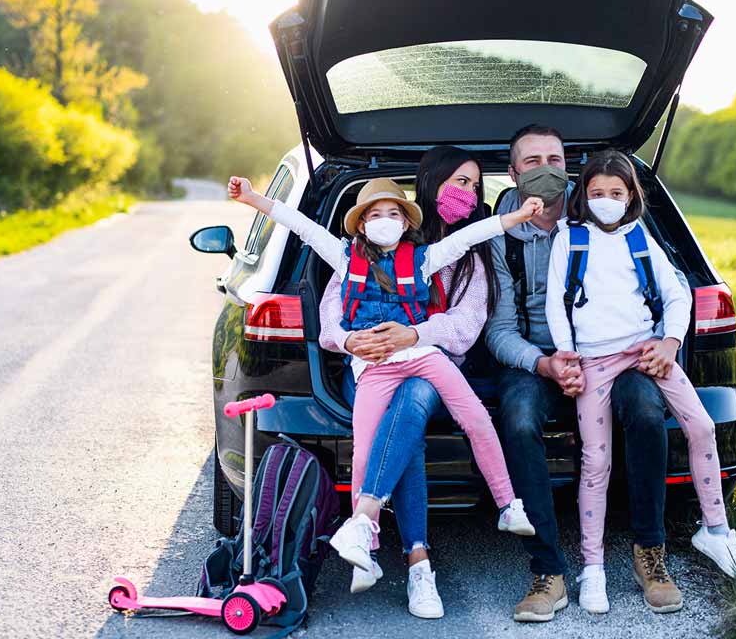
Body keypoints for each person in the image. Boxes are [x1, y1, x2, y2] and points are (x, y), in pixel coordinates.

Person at [225, 172, 542, 586]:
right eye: (376, 214)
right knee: (364, 450)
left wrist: (515, 216)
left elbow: (468, 238)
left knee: (477, 417)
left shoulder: (425, 258)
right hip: (374, 367)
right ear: (361, 224)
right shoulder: (343, 259)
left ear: (407, 222)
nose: (386, 220)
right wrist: (253, 199)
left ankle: (507, 504)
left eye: (394, 213)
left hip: (422, 355)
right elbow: (301, 225)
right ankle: (365, 546)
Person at [545, 149, 736, 614]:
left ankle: (716, 531)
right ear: (583, 196)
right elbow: (556, 305)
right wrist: (567, 353)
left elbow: (677, 294)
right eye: (596, 193)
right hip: (595, 362)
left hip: (646, 353)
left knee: (702, 428)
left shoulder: (640, 236)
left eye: (615, 193)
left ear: (630, 196)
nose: (605, 200)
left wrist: (670, 342)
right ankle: (592, 567)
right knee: (595, 461)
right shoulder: (569, 239)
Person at [485, 125, 681, 620]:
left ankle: (650, 554)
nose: (546, 168)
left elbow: (668, 278)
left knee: (643, 407)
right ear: (512, 173)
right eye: (532, 161)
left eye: (555, 157)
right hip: (538, 357)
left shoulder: (604, 201)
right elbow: (499, 329)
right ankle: (548, 574)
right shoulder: (501, 234)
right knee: (520, 416)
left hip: (615, 353)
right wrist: (545, 363)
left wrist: (665, 340)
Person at [317, 146, 502, 618]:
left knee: (415, 396)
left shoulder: (467, 258)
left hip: (434, 366)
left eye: (475, 186)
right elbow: (333, 310)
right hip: (374, 365)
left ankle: (369, 528)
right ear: (431, 184)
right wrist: (349, 340)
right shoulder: (369, 255)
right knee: (407, 426)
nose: (469, 193)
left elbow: (464, 328)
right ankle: (418, 561)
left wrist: (415, 334)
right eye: (459, 182)